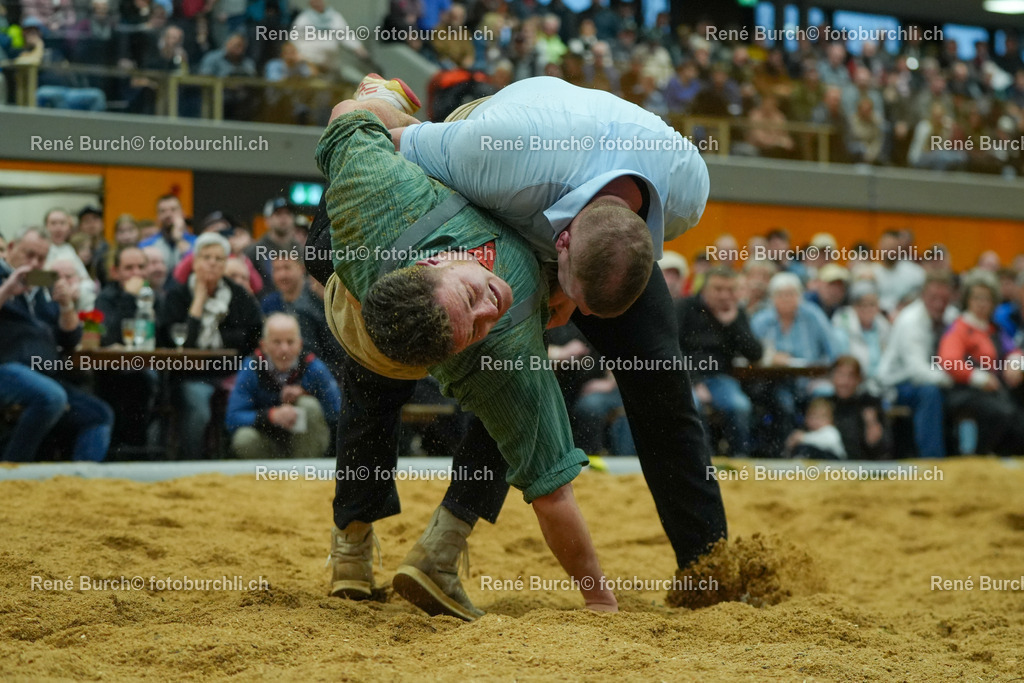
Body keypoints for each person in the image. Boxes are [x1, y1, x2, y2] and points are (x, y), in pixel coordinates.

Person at [315, 74, 724, 610]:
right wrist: (382, 100)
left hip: (587, 230)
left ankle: (709, 567)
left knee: (655, 381)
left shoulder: (686, 190)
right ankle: (353, 539)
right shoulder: (491, 155)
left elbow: (553, 489)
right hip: (468, 191)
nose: (497, 308)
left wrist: (571, 294)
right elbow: (388, 140)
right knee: (392, 345)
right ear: (561, 241)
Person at [0, 226, 113, 462]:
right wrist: (7, 290)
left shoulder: (42, 288)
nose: (34, 263)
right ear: (10, 248)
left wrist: (66, 306)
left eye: (41, 258)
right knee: (51, 397)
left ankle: (80, 483)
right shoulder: (6, 281)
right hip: (7, 367)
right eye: (28, 254)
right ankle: (11, 472)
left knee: (99, 414)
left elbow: (70, 339)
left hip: (46, 373)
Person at [158, 232, 262, 459]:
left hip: (231, 372)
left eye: (219, 258)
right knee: (199, 408)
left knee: (249, 399)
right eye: (207, 257)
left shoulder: (238, 295)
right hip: (188, 375)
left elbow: (253, 335)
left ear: (226, 263)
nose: (213, 263)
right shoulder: (178, 295)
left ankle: (233, 461)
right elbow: (177, 345)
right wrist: (198, 302)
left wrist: (229, 341)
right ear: (195, 262)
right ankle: (192, 462)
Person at [226, 313, 340, 459]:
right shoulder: (252, 368)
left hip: (308, 445)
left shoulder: (314, 367)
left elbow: (338, 414)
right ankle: (267, 477)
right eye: (277, 342)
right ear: (264, 346)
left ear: (300, 344)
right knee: (243, 438)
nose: (284, 349)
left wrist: (307, 393)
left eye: (290, 342)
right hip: (269, 445)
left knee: (308, 405)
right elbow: (232, 418)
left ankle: (305, 472)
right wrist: (271, 415)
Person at [677, 267, 763, 456]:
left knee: (740, 407)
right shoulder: (684, 307)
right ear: (705, 288)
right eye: (718, 289)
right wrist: (695, 382)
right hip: (685, 378)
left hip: (720, 378)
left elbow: (755, 354)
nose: (724, 295)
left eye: (730, 290)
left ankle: (739, 460)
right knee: (693, 408)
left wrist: (732, 324)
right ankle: (702, 460)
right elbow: (674, 351)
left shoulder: (736, 313)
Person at [937, 271, 1024, 455]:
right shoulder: (959, 328)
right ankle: (979, 455)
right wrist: (978, 377)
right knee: (1002, 412)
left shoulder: (994, 328)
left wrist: (1014, 363)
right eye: (977, 298)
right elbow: (949, 361)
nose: (981, 303)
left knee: (1017, 420)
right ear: (968, 299)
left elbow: (1013, 350)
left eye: (987, 299)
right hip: (965, 391)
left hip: (995, 390)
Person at [877, 273, 957, 458]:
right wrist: (954, 377)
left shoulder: (952, 316)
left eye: (943, 299)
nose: (938, 304)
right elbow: (917, 372)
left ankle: (966, 454)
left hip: (934, 378)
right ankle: (932, 459)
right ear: (922, 296)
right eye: (933, 298)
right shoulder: (910, 321)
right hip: (896, 384)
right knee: (929, 393)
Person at [93, 245, 158, 453]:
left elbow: (167, 336)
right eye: (129, 268)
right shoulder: (105, 297)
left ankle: (139, 450)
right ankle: (121, 451)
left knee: (143, 380)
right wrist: (129, 297)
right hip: (113, 371)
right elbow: (107, 336)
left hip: (152, 367)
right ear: (115, 272)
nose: (136, 273)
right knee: (130, 381)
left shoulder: (156, 295)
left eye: (141, 267)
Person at [830, 356, 891, 460]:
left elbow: (884, 449)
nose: (844, 382)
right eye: (840, 375)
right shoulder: (824, 404)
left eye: (851, 376)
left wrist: (872, 428)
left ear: (859, 379)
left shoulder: (869, 405)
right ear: (832, 377)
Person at [139, 194, 194, 271]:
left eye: (173, 209)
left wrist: (179, 239)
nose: (168, 214)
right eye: (163, 211)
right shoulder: (146, 245)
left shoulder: (197, 242)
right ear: (157, 216)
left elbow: (194, 264)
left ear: (183, 213)